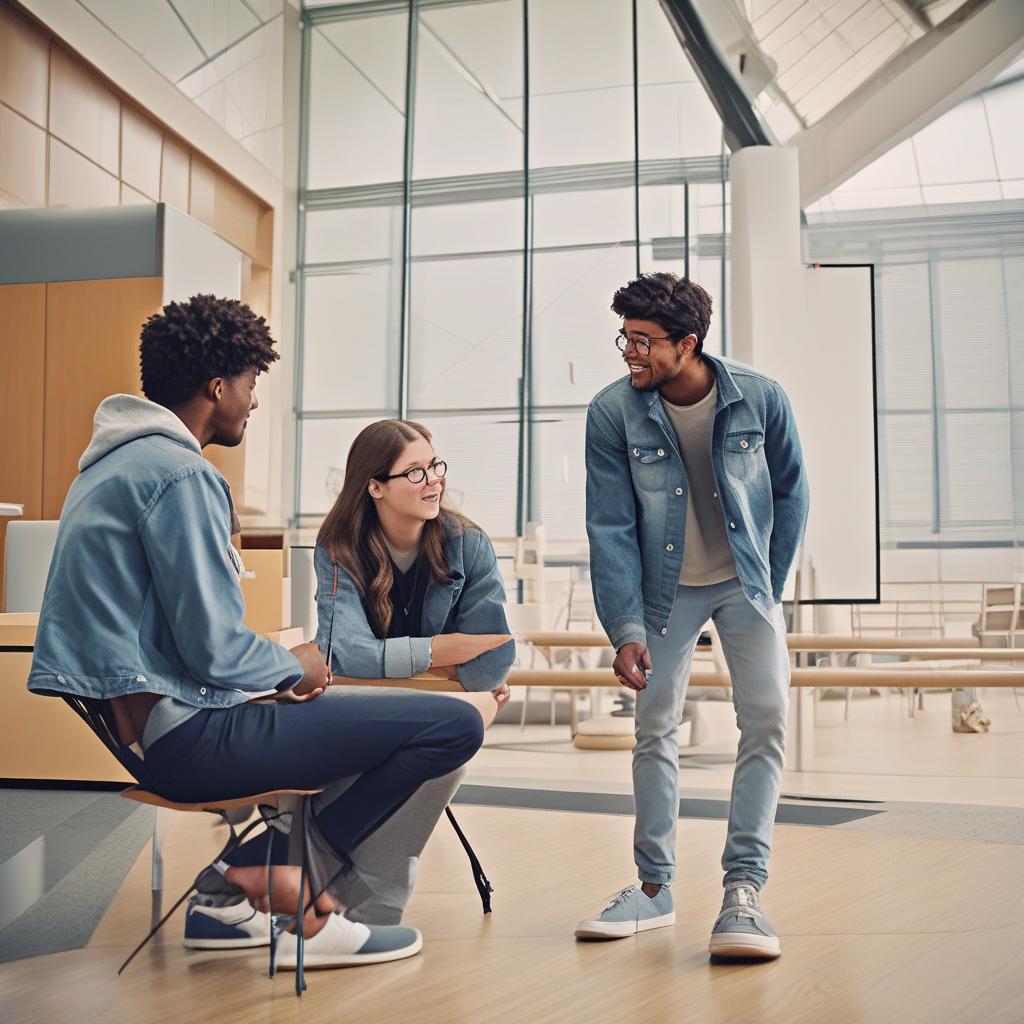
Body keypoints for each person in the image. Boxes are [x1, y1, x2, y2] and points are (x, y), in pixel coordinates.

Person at [28, 295, 486, 971]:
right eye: (249, 385)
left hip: (149, 731)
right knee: (451, 725)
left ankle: (222, 902)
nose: (253, 403)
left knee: (370, 722)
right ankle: (275, 880)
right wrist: (292, 665)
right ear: (218, 387)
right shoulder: (181, 475)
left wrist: (272, 673)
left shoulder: (106, 468)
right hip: (192, 739)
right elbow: (213, 647)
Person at [575, 273, 809, 961]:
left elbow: (793, 492)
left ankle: (744, 891)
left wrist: (768, 581)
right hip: (661, 592)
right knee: (655, 728)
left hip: (745, 585)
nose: (630, 353)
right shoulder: (612, 413)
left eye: (644, 342)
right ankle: (653, 890)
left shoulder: (761, 398)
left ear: (688, 343)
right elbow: (610, 526)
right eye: (625, 338)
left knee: (766, 720)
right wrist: (625, 628)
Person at [313, 419, 515, 712]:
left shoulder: (468, 545)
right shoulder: (338, 547)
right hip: (363, 708)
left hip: (440, 708)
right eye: (415, 472)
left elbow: (494, 660)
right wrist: (440, 653)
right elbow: (345, 654)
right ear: (375, 487)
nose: (434, 479)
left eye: (434, 466)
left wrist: (387, 662)